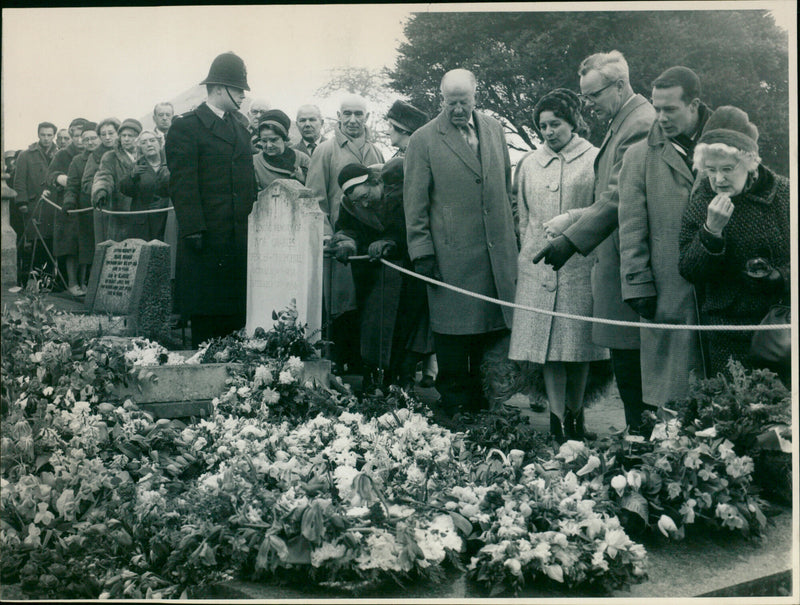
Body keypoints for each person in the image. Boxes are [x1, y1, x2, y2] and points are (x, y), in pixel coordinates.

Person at [533, 50, 656, 433]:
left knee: (634, 370)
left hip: (628, 262)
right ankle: (639, 443)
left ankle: (641, 447)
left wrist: (571, 240)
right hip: (615, 260)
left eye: (594, 95)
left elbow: (618, 197)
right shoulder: (623, 119)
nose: (587, 104)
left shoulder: (638, 123)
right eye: (585, 96)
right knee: (626, 363)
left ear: (619, 85)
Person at [404, 68, 518, 417]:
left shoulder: (495, 130)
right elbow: (415, 202)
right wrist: (421, 251)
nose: (457, 109)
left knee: (493, 328)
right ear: (441, 99)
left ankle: (489, 400)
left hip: (495, 253)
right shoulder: (423, 139)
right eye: (450, 102)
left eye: (463, 102)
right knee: (454, 333)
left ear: (475, 97)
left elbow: (504, 185)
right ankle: (455, 402)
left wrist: (512, 235)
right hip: (450, 255)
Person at [509, 89, 609, 443]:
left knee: (577, 348)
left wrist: (574, 226)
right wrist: (528, 253)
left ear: (573, 122)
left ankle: (576, 414)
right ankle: (556, 420)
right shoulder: (528, 164)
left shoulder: (595, 158)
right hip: (539, 266)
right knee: (549, 350)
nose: (549, 131)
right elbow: (523, 217)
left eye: (556, 123)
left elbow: (604, 208)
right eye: (543, 126)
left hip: (581, 264)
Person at [618, 66, 712, 409]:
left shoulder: (726, 152)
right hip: (668, 297)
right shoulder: (638, 156)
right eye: (656, 108)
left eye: (669, 109)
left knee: (725, 402)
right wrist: (638, 286)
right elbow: (631, 230)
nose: (660, 117)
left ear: (694, 104)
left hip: (722, 299)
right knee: (670, 403)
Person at [679, 106, 790, 382]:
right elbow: (689, 270)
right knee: (731, 412)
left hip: (779, 327)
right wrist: (711, 231)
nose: (718, 179)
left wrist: (779, 277)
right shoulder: (702, 199)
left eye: (727, 169)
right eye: (711, 170)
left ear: (750, 162)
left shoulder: (784, 195)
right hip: (725, 329)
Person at [165, 51, 257, 348]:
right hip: (205, 243)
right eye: (238, 88)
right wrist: (193, 229)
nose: (243, 95)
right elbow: (183, 184)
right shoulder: (186, 126)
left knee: (236, 323)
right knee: (207, 331)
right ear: (219, 88)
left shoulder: (241, 130)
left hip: (238, 243)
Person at [328, 161, 432, 393]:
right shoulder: (350, 205)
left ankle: (403, 378)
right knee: (372, 327)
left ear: (375, 182)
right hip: (372, 274)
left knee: (407, 328)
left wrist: (390, 242)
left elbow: (412, 226)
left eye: (366, 196)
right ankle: (374, 378)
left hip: (407, 272)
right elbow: (346, 228)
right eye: (358, 201)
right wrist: (346, 243)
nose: (364, 203)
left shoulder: (401, 194)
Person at [307, 94, 385, 375]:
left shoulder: (376, 152)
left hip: (368, 247)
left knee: (368, 303)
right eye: (347, 114)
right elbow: (315, 199)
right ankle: (337, 362)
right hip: (339, 244)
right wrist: (328, 237)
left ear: (367, 118)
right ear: (338, 117)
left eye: (359, 114)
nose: (353, 120)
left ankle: (362, 362)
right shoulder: (325, 151)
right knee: (340, 303)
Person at [384, 98, 437, 387]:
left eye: (392, 127)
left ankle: (400, 380)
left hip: (412, 252)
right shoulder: (403, 160)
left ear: (402, 130)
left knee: (410, 319)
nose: (389, 132)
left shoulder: (410, 163)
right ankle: (400, 378)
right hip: (404, 253)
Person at [13, 121, 59, 286]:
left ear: (54, 136)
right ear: (38, 135)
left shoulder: (59, 153)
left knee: (52, 242)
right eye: (43, 135)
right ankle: (31, 281)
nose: (46, 139)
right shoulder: (25, 155)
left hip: (53, 206)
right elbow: (19, 181)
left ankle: (49, 282)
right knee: (34, 242)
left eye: (49, 135)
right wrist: (22, 202)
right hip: (34, 205)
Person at [48, 118, 87, 296]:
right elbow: (50, 175)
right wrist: (60, 178)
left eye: (82, 135)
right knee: (71, 245)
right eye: (76, 135)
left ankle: (84, 282)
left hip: (87, 203)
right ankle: (72, 283)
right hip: (69, 205)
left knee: (86, 243)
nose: (79, 139)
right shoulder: (63, 154)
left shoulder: (92, 153)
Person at [62, 122, 101, 293]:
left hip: (106, 209)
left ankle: (95, 283)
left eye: (93, 138)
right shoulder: (77, 161)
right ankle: (78, 283)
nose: (90, 142)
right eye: (86, 140)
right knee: (83, 246)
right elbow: (72, 185)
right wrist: (69, 201)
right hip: (84, 209)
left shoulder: (110, 156)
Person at [92, 118, 142, 241]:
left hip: (144, 209)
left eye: (130, 135)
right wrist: (101, 191)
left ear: (138, 137)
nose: (126, 139)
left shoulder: (145, 153)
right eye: (123, 135)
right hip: (121, 211)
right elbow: (104, 175)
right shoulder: (110, 156)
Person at [118, 130, 170, 241]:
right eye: (144, 142)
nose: (149, 144)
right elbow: (123, 188)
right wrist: (132, 176)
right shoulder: (136, 166)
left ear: (159, 143)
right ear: (140, 147)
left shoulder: (171, 162)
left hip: (167, 218)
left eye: (152, 140)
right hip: (144, 221)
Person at [83, 117, 120, 247]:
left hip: (126, 207)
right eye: (103, 134)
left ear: (118, 133)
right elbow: (86, 184)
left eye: (111, 133)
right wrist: (101, 189)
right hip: (105, 208)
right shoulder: (95, 156)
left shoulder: (129, 151)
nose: (107, 137)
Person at [253, 110, 311, 190]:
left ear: (284, 138)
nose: (269, 145)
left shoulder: (302, 159)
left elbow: (315, 190)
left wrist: (304, 180)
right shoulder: (255, 163)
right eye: (264, 141)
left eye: (274, 140)